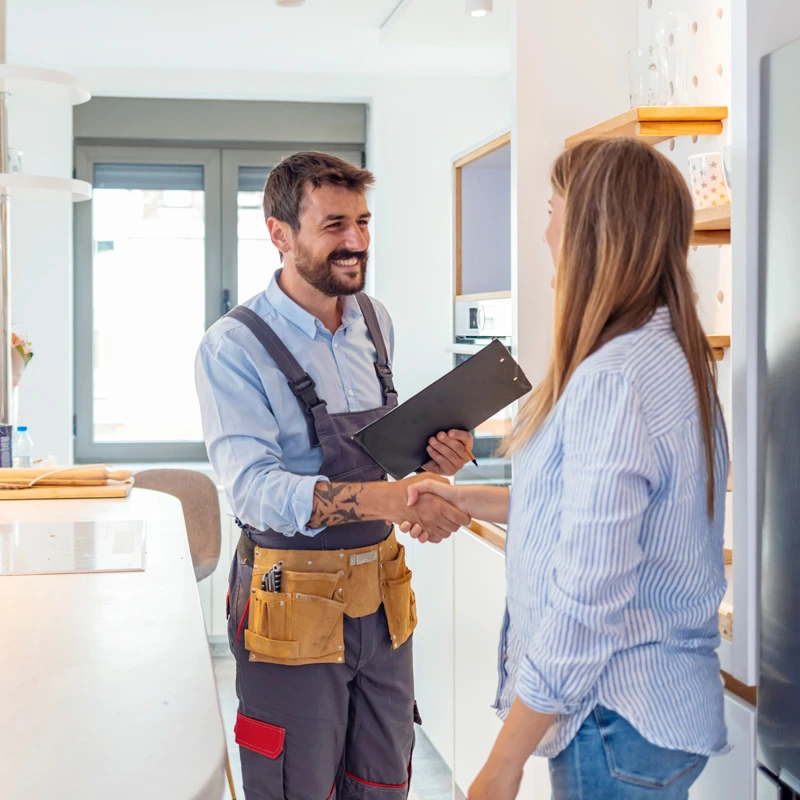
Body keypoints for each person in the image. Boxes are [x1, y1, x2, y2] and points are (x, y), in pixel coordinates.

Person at [404, 137, 730, 799]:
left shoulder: (612, 378)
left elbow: (588, 599)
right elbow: (579, 517)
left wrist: (504, 759)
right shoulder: (671, 357)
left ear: (592, 231)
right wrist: (463, 499)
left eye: (553, 210)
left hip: (610, 718)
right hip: (659, 717)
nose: (545, 232)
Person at [195, 151, 473, 800]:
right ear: (280, 234)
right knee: (295, 784)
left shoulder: (375, 323)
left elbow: (380, 456)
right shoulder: (232, 348)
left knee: (382, 778)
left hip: (381, 598)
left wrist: (431, 463)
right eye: (334, 225)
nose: (355, 242)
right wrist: (395, 494)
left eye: (364, 223)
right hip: (285, 597)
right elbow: (254, 490)